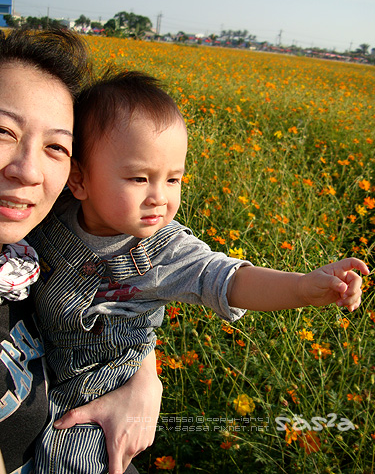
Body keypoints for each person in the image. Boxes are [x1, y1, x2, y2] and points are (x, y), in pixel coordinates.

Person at [27, 69, 369, 474]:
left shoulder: (163, 249)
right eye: (139, 178)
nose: (160, 197)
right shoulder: (50, 213)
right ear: (79, 178)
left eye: (174, 179)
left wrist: (302, 287)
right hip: (41, 370)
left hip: (101, 392)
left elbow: (227, 278)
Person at [0, 30, 162, 474]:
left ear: (75, 177)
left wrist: (145, 377)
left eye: (56, 147)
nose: (28, 170)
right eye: (2, 131)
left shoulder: (29, 254)